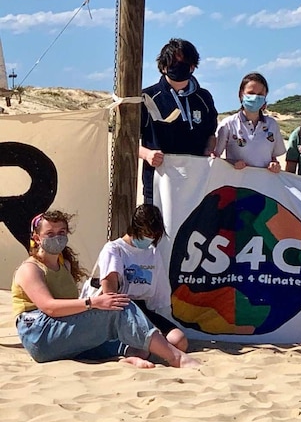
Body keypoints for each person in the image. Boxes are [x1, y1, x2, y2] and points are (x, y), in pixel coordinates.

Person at [12, 211, 199, 368]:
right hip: (39, 333)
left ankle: (125, 357)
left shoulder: (64, 265)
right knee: (119, 306)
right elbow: (49, 307)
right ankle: (176, 358)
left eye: (61, 232)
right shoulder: (30, 268)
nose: (57, 237)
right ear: (37, 238)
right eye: (50, 234)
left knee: (136, 347)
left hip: (57, 331)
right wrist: (93, 303)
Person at [88, 204, 188, 353]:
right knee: (142, 349)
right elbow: (110, 294)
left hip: (141, 307)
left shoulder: (152, 252)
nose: (149, 238)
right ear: (135, 228)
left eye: (153, 235)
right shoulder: (114, 249)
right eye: (146, 233)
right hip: (119, 306)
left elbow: (158, 295)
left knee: (179, 341)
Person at [140, 38, 218, 204]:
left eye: (185, 62)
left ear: (193, 66)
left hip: (197, 185)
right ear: (163, 66)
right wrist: (147, 154)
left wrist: (209, 150)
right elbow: (127, 141)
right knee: (154, 230)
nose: (180, 66)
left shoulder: (204, 97)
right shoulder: (146, 98)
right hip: (158, 184)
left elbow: (211, 134)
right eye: (174, 62)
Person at [213, 72, 285, 173]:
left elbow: (273, 157)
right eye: (251, 93)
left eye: (260, 95)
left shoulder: (272, 124)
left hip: (263, 185)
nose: (255, 98)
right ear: (241, 95)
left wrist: (274, 164)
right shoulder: (228, 124)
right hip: (236, 183)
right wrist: (232, 163)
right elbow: (215, 158)